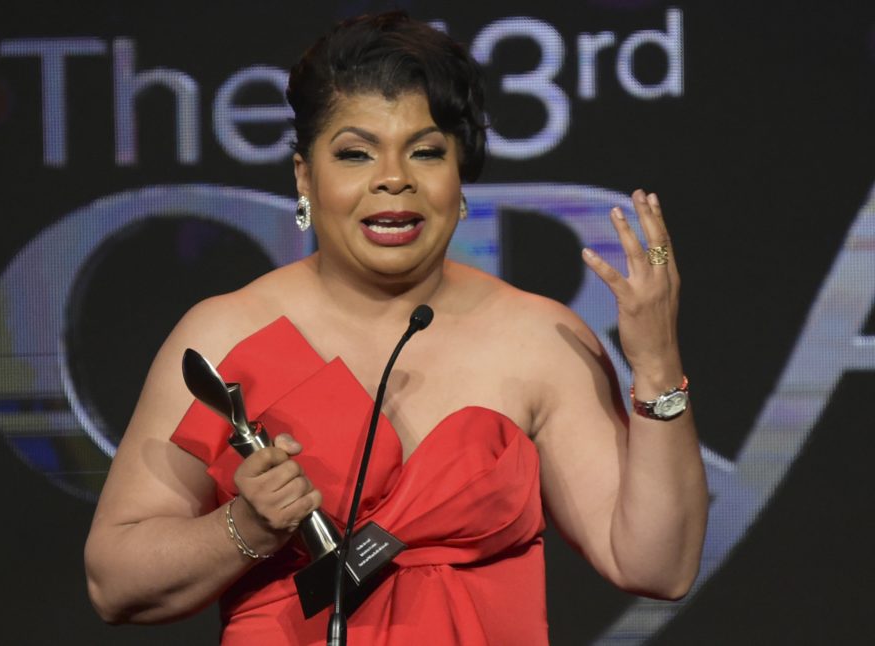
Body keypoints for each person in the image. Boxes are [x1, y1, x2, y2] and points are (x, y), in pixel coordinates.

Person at [84, 12, 708, 645]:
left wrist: (656, 364)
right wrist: (245, 528)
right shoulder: (225, 337)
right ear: (305, 178)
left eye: (426, 151)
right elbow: (115, 581)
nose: (394, 178)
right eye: (355, 153)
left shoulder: (539, 337)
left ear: (459, 178)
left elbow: (656, 564)